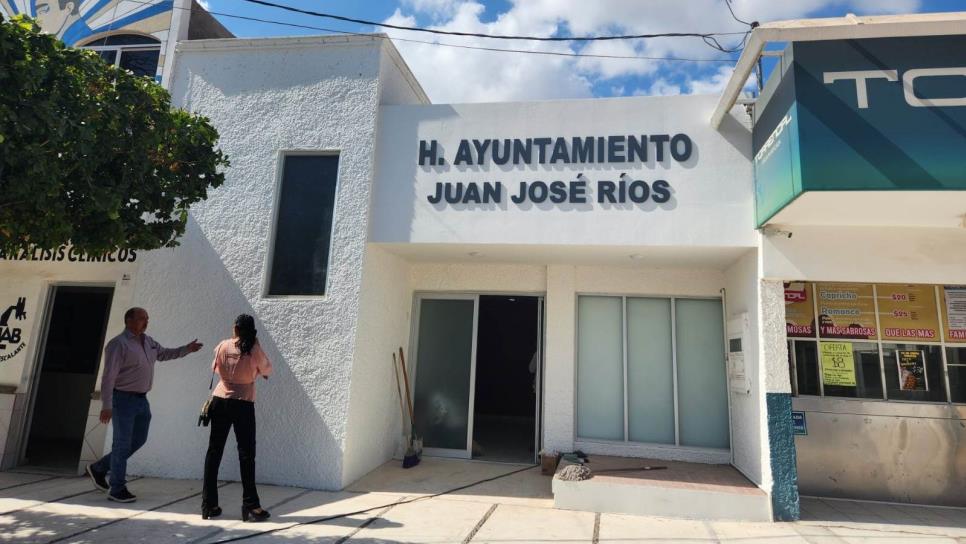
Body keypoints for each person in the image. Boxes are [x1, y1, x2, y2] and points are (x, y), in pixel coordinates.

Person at [85, 307, 203, 502]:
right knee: (122, 444)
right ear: (129, 321)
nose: (146, 322)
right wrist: (107, 405)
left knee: (138, 439)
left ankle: (99, 468)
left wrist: (186, 349)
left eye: (147, 319)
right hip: (122, 399)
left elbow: (164, 354)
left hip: (141, 400)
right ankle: (117, 489)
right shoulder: (118, 344)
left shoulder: (148, 341)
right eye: (141, 319)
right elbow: (108, 378)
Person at [202, 314, 273, 522]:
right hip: (243, 402)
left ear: (235, 328)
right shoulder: (253, 348)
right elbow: (267, 368)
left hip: (220, 399)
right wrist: (256, 371)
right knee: (246, 454)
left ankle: (208, 505)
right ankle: (251, 505)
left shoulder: (223, 346)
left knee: (214, 452)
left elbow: (214, 368)